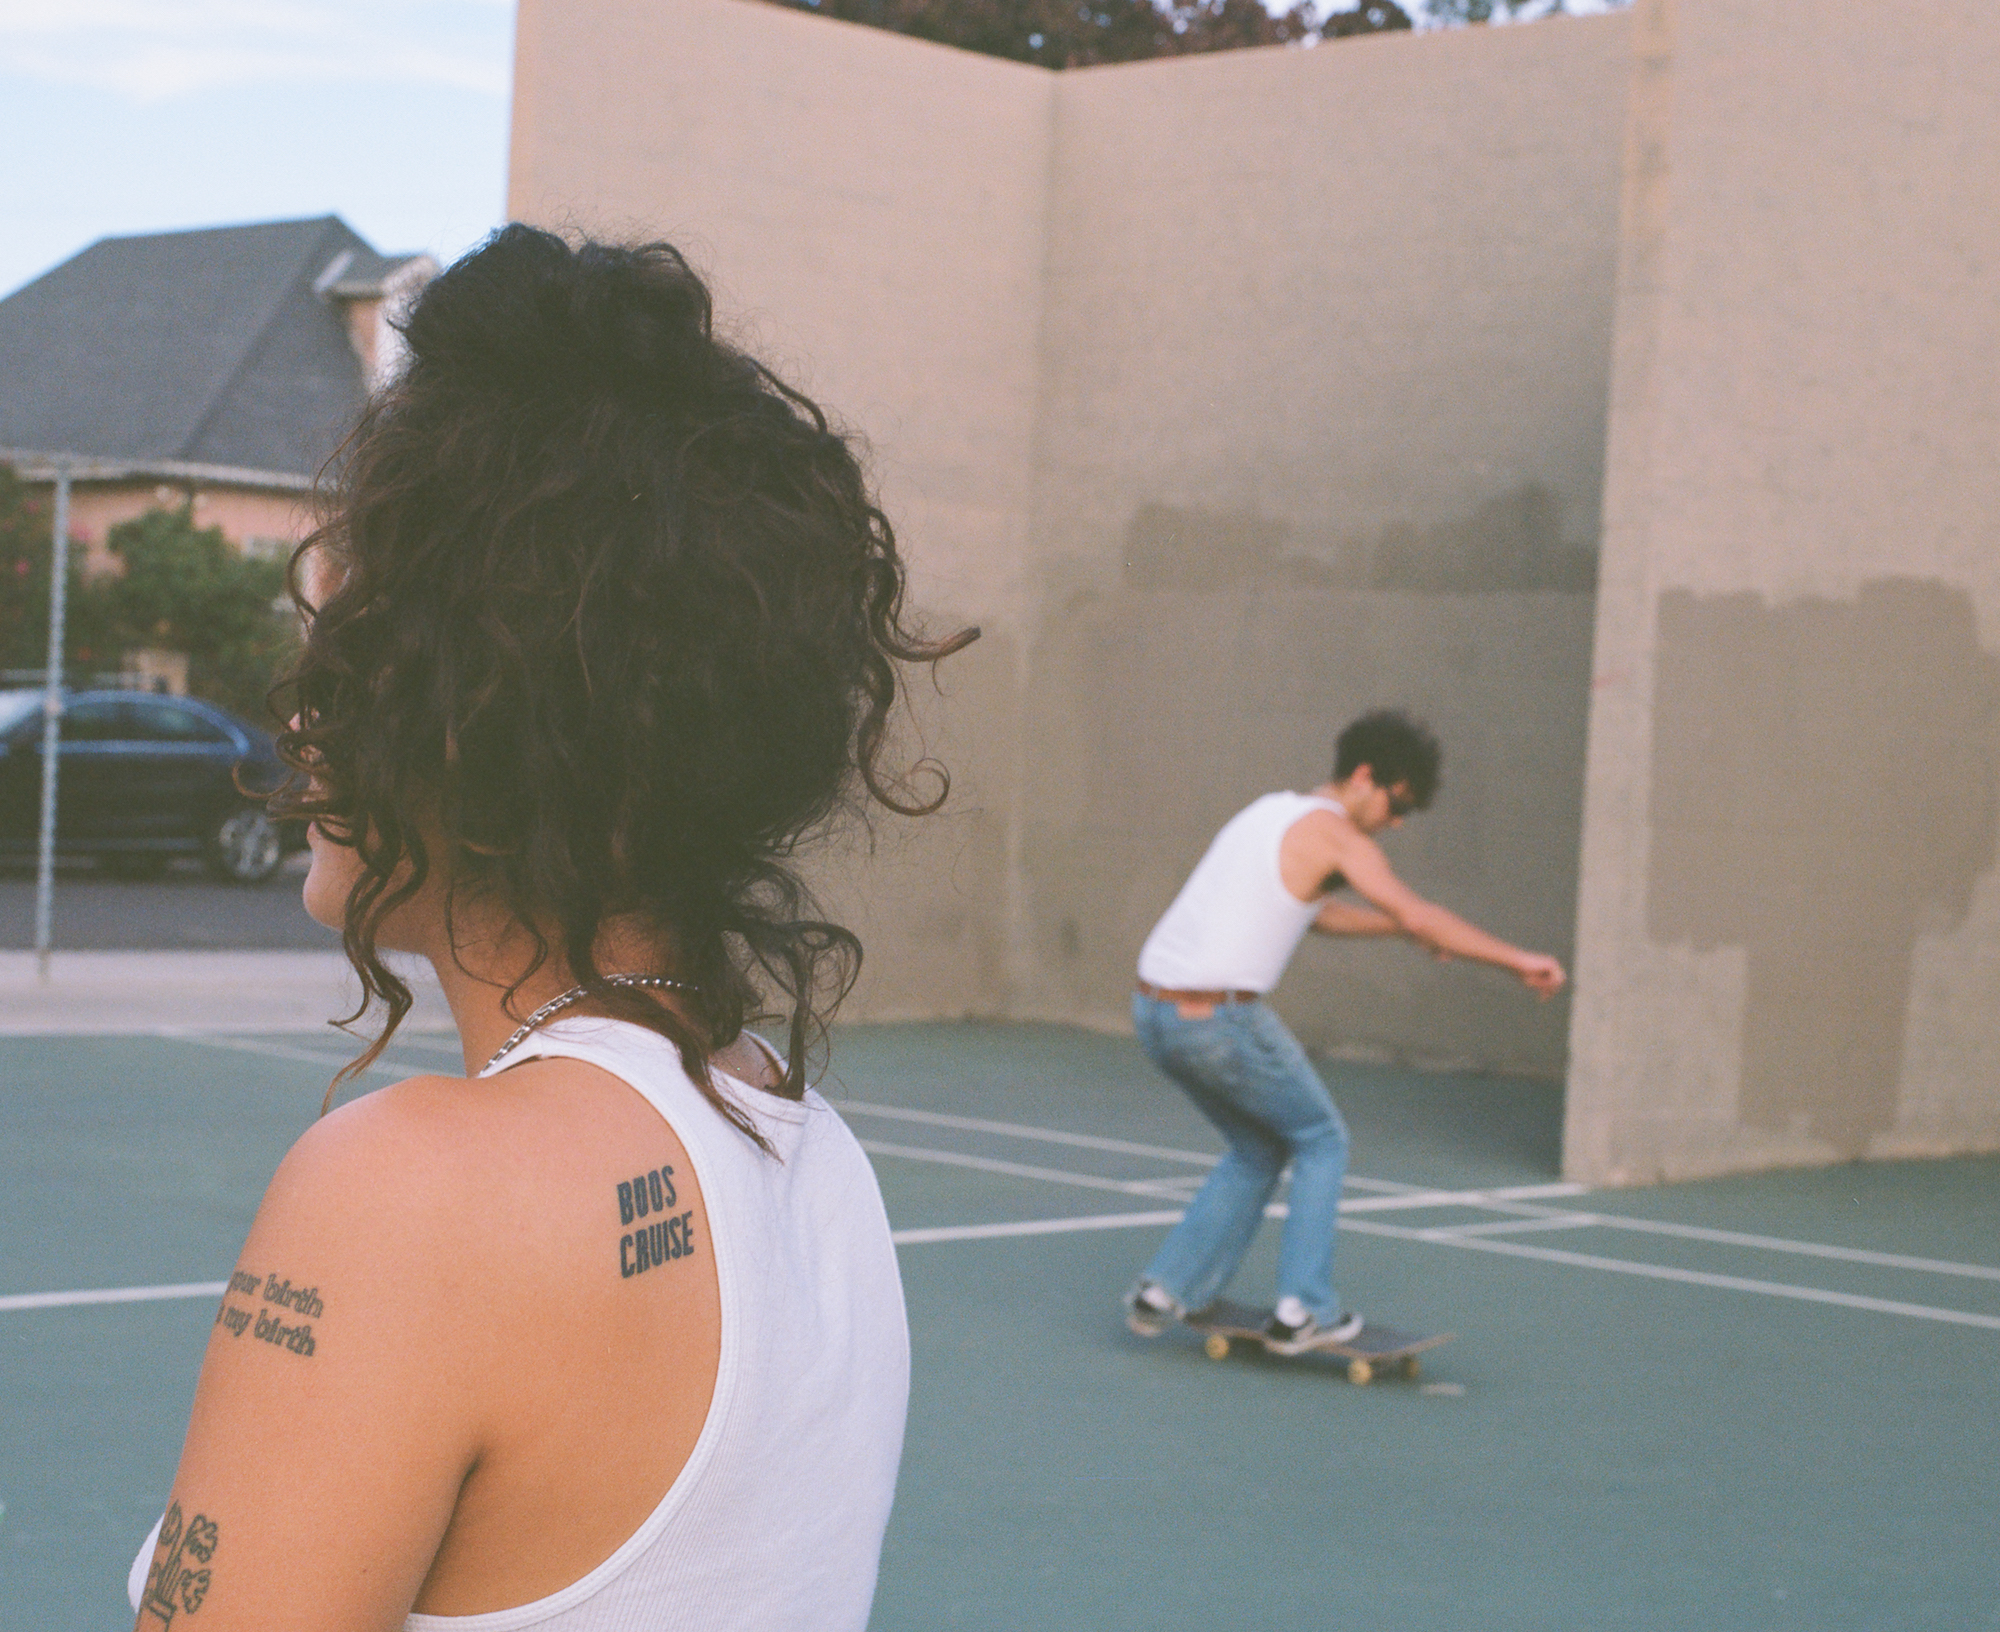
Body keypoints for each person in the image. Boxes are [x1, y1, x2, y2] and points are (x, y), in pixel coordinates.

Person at [127, 226, 971, 1632]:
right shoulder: (809, 1147)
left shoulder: (414, 1194)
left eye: (343, 661)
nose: (298, 718)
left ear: (477, 710)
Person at [1122, 710, 1565, 1354]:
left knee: (1256, 1149)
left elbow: (1318, 917)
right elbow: (1424, 914)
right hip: (1219, 1018)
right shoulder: (1336, 835)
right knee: (1322, 1138)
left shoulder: (1268, 813)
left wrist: (1401, 930)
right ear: (1364, 777)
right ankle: (1305, 1312)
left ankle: (1163, 1290)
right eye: (1398, 801)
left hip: (1156, 1012)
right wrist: (1517, 960)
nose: (1397, 821)